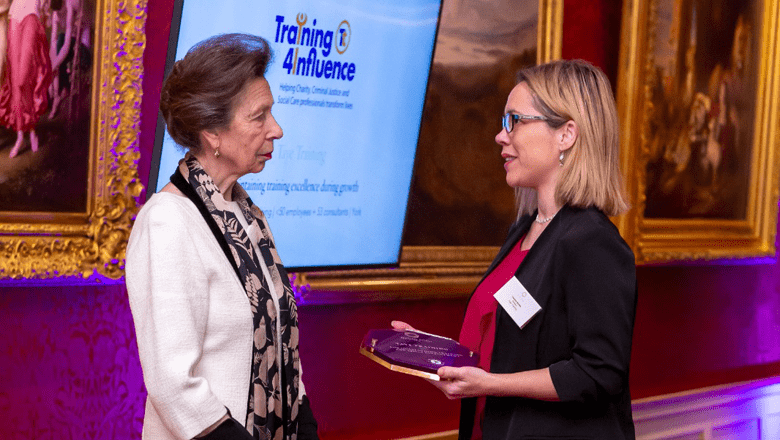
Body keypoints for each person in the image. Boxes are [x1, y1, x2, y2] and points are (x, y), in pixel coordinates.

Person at [394, 59, 637, 439]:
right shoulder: (525, 230)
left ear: (566, 134)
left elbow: (597, 372)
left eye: (514, 121)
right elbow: (509, 340)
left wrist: (489, 384)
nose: (500, 136)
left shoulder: (592, 242)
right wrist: (432, 354)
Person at [126, 33, 318, 440]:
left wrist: (305, 423)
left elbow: (281, 345)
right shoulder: (167, 222)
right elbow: (173, 385)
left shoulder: (247, 215)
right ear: (212, 131)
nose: (277, 129)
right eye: (259, 116)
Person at [0, 0, 52, 158]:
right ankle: (21, 136)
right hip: (14, 17)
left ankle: (31, 128)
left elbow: (47, 7)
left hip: (31, 16)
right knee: (16, 81)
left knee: (24, 79)